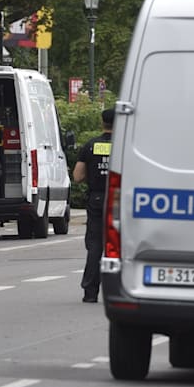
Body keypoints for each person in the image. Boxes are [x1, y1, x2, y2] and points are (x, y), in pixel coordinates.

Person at [74, 109, 114, 303]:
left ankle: (90, 292)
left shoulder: (91, 145)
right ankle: (119, 292)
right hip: (120, 201)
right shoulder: (125, 145)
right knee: (122, 247)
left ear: (102, 122)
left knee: (95, 246)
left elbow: (78, 176)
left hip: (97, 200)